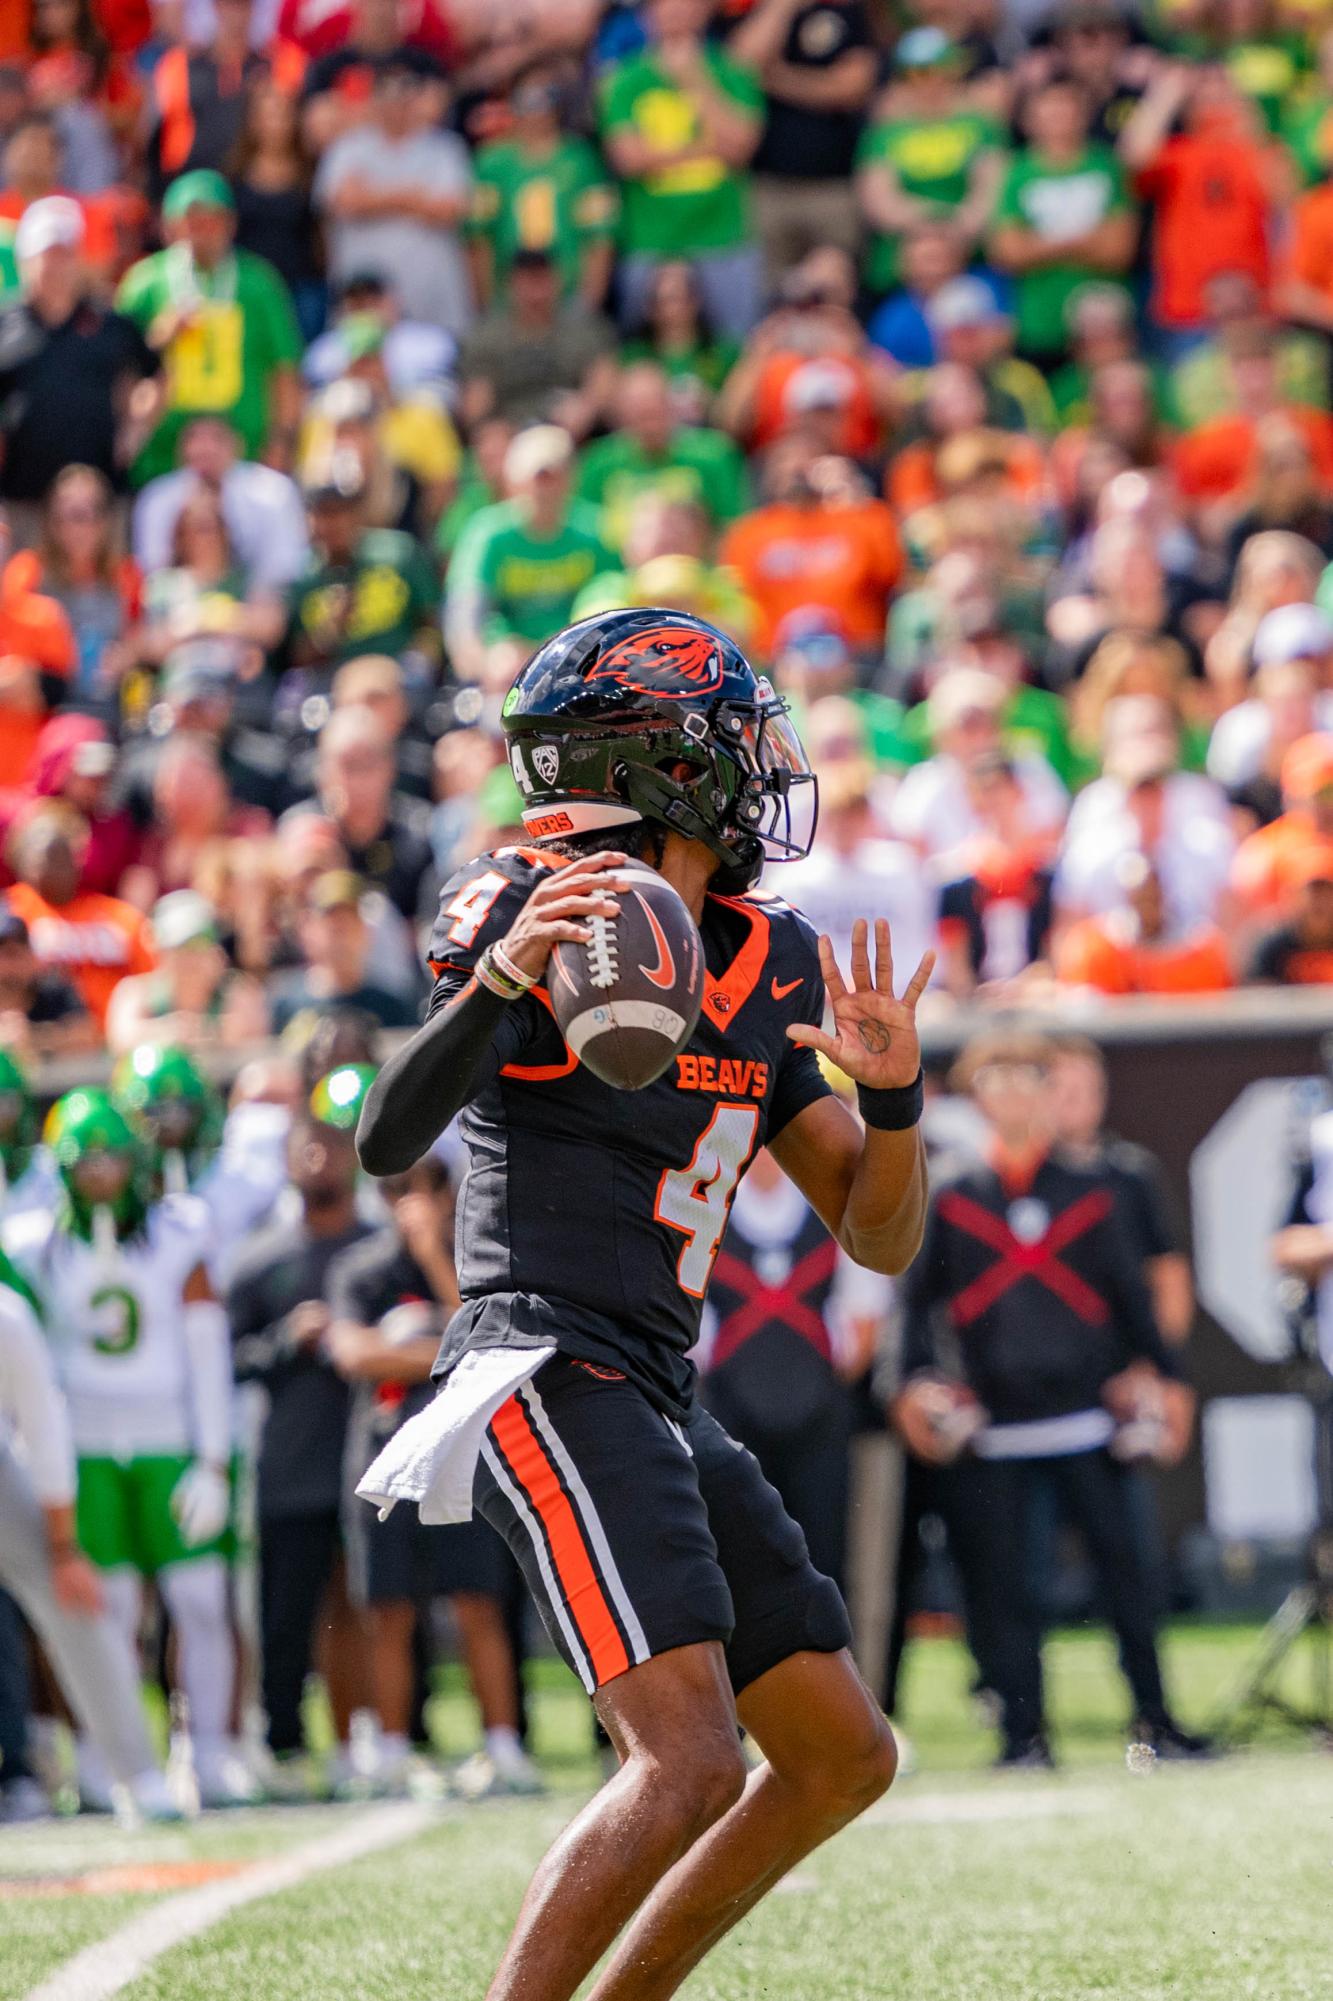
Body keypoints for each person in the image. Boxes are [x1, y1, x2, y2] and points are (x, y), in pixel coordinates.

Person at [355, 605, 930, 2001]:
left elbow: (876, 1233)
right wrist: (496, 987)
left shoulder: (771, 955)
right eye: (733, 739)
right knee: (686, 1756)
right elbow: (386, 1139)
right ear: (665, 760)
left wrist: (898, 1097)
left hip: (656, 1386)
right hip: (539, 1358)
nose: (759, 766)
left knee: (843, 1750)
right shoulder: (531, 898)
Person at [895, 1032, 1207, 1767]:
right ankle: (1022, 1734)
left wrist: (1168, 1378)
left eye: (1027, 1078)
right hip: (995, 1428)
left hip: (1088, 1418)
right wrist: (907, 1385)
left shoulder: (1095, 1185)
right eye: (995, 1079)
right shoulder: (950, 1190)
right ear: (978, 1096)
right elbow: (916, 1307)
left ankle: (1154, 1721)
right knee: (1006, 1593)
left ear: (1046, 1090)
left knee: (1127, 1577)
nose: (1012, 1094)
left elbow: (1131, 1298)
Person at [6, 1088, 248, 1807]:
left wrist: (212, 1456)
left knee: (200, 1600)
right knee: (101, 1606)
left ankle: (208, 1750)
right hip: (80, 1443)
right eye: (87, 1160)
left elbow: (207, 1351)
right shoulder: (31, 1240)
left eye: (114, 1155)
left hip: (168, 1435)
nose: (102, 1172)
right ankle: (103, 1758)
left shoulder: (180, 1230)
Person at [329, 1154, 542, 1798]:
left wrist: (431, 1259)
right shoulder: (359, 1268)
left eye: (420, 1185)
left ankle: (503, 1747)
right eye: (394, 1186)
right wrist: (435, 1353)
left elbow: (483, 1337)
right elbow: (352, 1353)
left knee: (478, 1603)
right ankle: (391, 1752)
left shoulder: (474, 1262)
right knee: (387, 1610)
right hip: (383, 1454)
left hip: (464, 1453)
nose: (407, 1199)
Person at [227, 1067, 377, 1793]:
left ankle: (374, 1740)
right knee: (285, 1617)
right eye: (306, 1146)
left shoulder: (379, 1247)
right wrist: (287, 1338)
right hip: (290, 1465)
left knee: (372, 1609)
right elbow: (225, 1358)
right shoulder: (261, 1258)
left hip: (371, 1457)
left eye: (332, 1144)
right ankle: (282, 1744)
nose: (321, 1158)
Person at [0, 1239, 178, 1823]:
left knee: (73, 1601)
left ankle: (138, 1776)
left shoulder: (9, 1319)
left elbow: (43, 1433)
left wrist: (64, 1547)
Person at [696, 1145, 890, 1592]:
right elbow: (692, 1335)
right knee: (737, 1565)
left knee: (823, 1563)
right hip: (730, 1419)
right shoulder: (704, 1212)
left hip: (820, 1421)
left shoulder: (837, 1210)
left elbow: (863, 1331)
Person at [116, 169, 305, 486]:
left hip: (246, 458)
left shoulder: (259, 283)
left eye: (212, 219)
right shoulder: (144, 283)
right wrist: (159, 337)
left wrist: (280, 443)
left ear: (230, 224)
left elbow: (284, 370)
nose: (202, 230)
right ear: (169, 225)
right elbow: (120, 368)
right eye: (191, 219)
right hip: (161, 460)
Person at [599, 0, 765, 340]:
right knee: (642, 347)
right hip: (651, 240)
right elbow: (629, 160)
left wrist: (693, 81)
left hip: (723, 238)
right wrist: (706, 149)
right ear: (647, 16)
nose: (674, 12)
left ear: (704, 11)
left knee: (735, 345)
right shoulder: (625, 80)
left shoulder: (733, 72)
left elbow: (741, 148)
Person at [0, 196, 159, 535]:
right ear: (25, 260)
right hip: (21, 503)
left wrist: (136, 429)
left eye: (65, 253)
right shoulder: (4, 325)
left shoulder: (110, 324)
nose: (55, 265)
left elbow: (155, 373)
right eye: (46, 254)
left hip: (99, 507)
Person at [314, 57, 473, 338]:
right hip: (362, 311)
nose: (396, 102)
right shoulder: (347, 148)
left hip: (433, 309)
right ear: (373, 97)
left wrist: (373, 196)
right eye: (387, 92)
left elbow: (450, 210)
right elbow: (344, 202)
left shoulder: (445, 149)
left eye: (404, 92)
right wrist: (413, 197)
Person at [989, 75, 1136, 368]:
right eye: (1050, 108)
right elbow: (1007, 252)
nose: (1060, 116)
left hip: (1104, 332)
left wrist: (1040, 244)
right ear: (1031, 118)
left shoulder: (1106, 166)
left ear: (1084, 114)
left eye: (1067, 107)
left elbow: (1119, 250)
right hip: (1040, 325)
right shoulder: (1017, 173)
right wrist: (1084, 241)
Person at [446, 424, 610, 685]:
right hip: (506, 659)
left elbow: (611, 599)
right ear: (513, 480)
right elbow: (467, 610)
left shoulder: (595, 530)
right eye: (536, 477)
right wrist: (480, 665)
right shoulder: (489, 533)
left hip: (577, 656)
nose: (543, 489)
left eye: (552, 476)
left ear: (571, 478)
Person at [726, 0, 875, 284]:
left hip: (834, 187)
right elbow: (740, 66)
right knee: (769, 292)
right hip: (768, 188)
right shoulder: (752, 12)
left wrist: (775, 79)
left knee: (835, 289)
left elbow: (851, 88)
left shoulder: (845, 11)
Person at [855, 27, 1004, 303]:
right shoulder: (885, 132)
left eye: (939, 71)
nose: (929, 83)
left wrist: (955, 233)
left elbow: (991, 190)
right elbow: (879, 200)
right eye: (916, 74)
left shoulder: (980, 126)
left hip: (970, 260)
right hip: (900, 269)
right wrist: (934, 228)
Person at [467, 63, 617, 310]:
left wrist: (589, 303)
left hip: (569, 298)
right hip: (508, 301)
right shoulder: (490, 163)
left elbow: (600, 238)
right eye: (527, 98)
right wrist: (488, 304)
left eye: (547, 96)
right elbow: (479, 238)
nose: (537, 107)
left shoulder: (582, 161)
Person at [4, 802, 156, 1030]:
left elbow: (153, 982)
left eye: (60, 853)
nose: (50, 864)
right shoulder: (10, 911)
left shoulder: (120, 918)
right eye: (42, 855)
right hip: (39, 1045)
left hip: (113, 1042)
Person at [576, 362, 748, 554]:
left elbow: (733, 527)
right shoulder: (600, 462)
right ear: (621, 415)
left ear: (670, 406)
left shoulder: (712, 456)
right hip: (619, 574)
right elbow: (585, 529)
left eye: (655, 412)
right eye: (641, 415)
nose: (650, 425)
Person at [132, 414, 310, 595]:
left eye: (217, 437)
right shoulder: (157, 497)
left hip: (261, 605)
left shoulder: (276, 492)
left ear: (238, 444)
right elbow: (152, 571)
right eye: (195, 437)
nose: (205, 448)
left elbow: (286, 569)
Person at [456, 246, 617, 438]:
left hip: (571, 428)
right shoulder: (487, 335)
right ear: (511, 284)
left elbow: (604, 377)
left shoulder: (584, 327)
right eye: (528, 281)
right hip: (511, 430)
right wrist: (490, 428)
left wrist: (586, 406)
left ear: (557, 280)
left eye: (542, 279)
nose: (536, 292)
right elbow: (476, 402)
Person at [270, 868, 420, 1032]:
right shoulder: (285, 1003)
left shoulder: (392, 1007)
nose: (342, 937)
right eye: (333, 927)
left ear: (364, 931)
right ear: (308, 929)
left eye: (349, 924)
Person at [0, 903, 94, 1059]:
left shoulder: (55, 991)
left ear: (32, 958)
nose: (4, 966)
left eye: (12, 954)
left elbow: (87, 1036)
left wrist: (34, 1037)